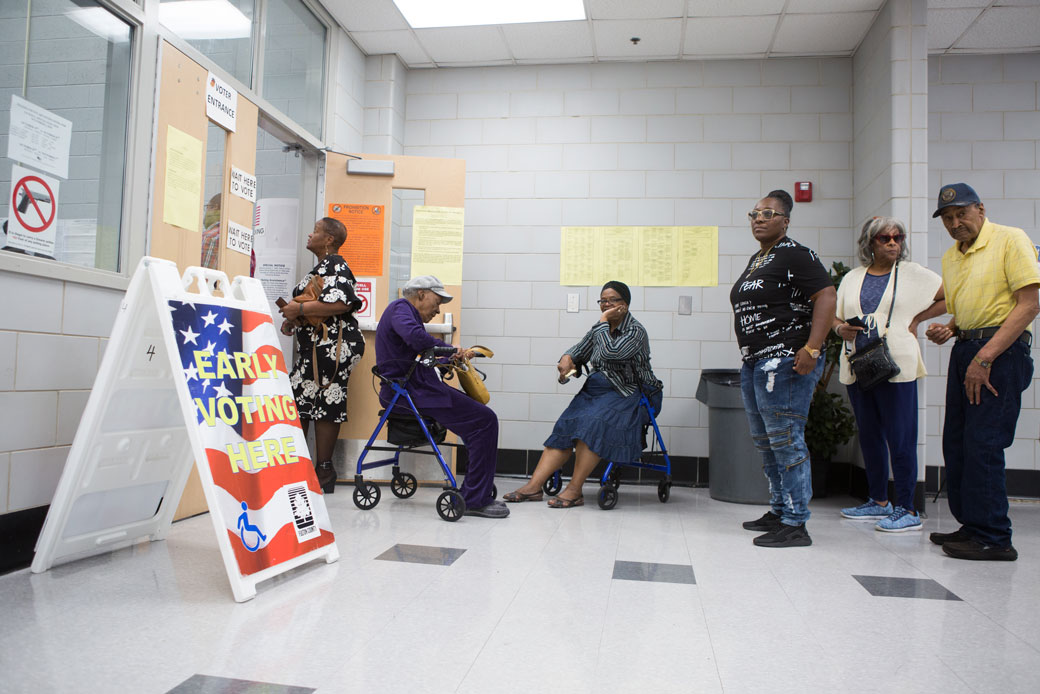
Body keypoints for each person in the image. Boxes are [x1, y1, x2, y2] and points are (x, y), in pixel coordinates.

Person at [925, 183, 1039, 561]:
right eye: (948, 218)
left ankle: (994, 536)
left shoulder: (1010, 240)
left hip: (1000, 354)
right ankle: (971, 524)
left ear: (980, 210)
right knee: (957, 442)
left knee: (985, 443)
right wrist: (950, 329)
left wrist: (985, 358)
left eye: (962, 214)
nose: (956, 223)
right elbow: (969, 309)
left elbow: (1028, 304)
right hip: (967, 350)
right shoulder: (952, 258)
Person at [731, 189, 835, 548]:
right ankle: (778, 510)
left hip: (785, 359)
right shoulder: (759, 258)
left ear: (785, 221)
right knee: (766, 442)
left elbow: (826, 296)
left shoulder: (796, 254)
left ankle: (796, 522)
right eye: (755, 213)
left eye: (768, 214)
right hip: (755, 360)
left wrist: (812, 347)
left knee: (786, 440)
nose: (759, 219)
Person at [503, 281, 662, 508]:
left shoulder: (636, 331)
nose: (605, 304)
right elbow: (580, 350)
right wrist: (567, 357)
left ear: (624, 305)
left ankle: (575, 490)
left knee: (591, 424)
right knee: (566, 425)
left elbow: (612, 352)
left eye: (611, 300)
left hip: (631, 392)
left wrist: (602, 323)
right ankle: (533, 486)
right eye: (602, 300)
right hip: (597, 390)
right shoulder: (600, 328)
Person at [834, 217, 945, 532]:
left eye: (898, 237)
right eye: (885, 238)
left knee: (901, 436)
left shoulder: (912, 274)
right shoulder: (853, 278)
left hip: (896, 364)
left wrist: (918, 319)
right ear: (870, 243)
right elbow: (836, 316)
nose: (893, 242)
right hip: (859, 364)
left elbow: (950, 295)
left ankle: (908, 508)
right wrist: (840, 328)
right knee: (869, 435)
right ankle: (878, 500)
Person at [376, 275, 507, 519]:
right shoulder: (400, 308)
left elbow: (418, 354)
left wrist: (449, 359)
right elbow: (415, 338)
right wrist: (448, 348)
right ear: (422, 294)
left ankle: (477, 490)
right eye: (437, 302)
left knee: (480, 420)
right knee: (484, 421)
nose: (438, 310)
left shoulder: (405, 313)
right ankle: (474, 498)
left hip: (416, 389)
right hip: (411, 393)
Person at [278, 217, 365, 494]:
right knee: (302, 398)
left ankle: (321, 470)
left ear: (329, 240)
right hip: (318, 345)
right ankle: (305, 469)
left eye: (315, 231)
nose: (309, 234)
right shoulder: (322, 267)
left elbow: (342, 302)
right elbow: (320, 304)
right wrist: (294, 320)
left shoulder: (336, 264)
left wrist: (299, 311)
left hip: (333, 346)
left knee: (325, 399)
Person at [201, 194, 221, 269]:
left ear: (214, 207)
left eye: (207, 207)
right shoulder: (249, 250)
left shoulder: (210, 237)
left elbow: (205, 277)